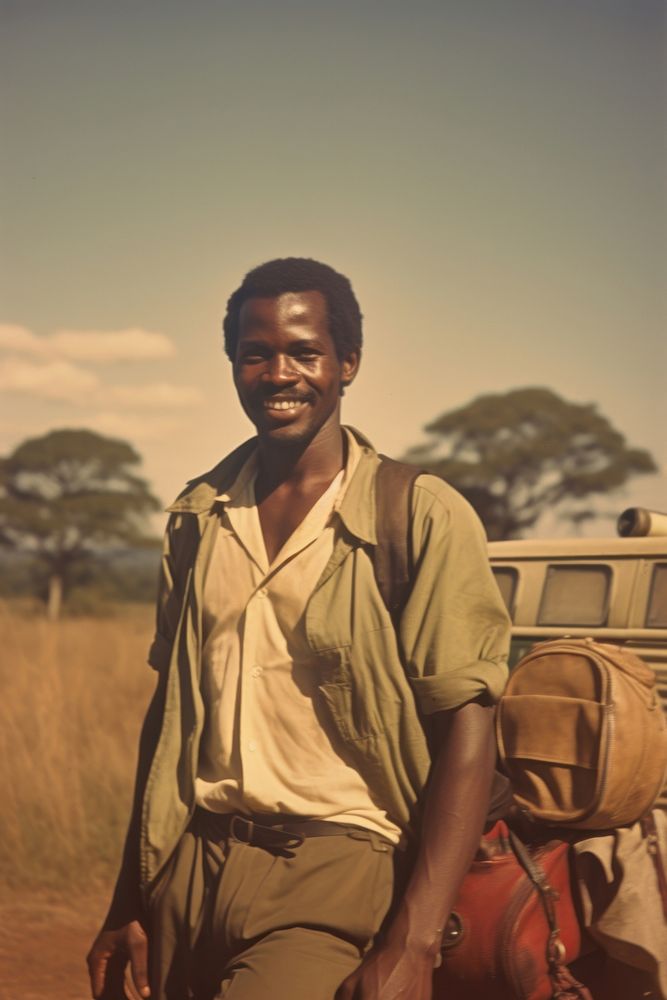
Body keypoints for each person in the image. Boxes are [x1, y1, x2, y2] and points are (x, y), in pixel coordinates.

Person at [87, 257, 511, 1000]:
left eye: (304, 352)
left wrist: (413, 942)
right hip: (193, 865)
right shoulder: (198, 516)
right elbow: (171, 717)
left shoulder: (418, 515)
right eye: (256, 354)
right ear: (234, 367)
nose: (279, 374)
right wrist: (132, 896)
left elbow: (468, 725)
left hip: (335, 870)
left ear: (346, 362)